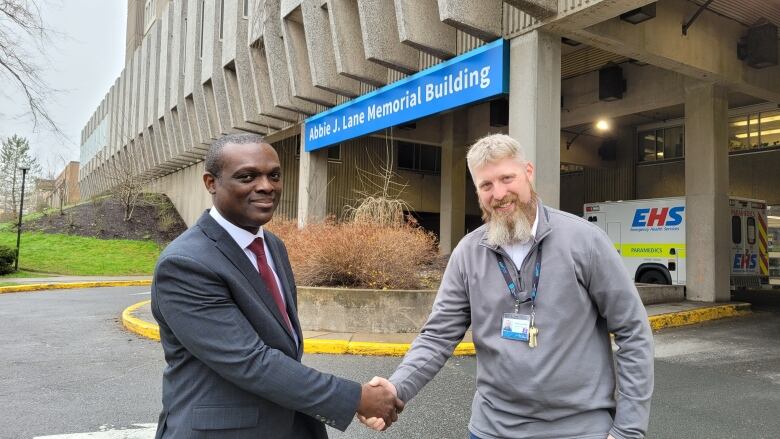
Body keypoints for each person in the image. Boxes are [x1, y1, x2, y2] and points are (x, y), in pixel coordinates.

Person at [361, 133, 654, 439]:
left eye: (507, 178)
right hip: (492, 430)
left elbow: (632, 330)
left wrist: (628, 430)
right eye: (486, 185)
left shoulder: (585, 241)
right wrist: (397, 386)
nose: (498, 193)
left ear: (528, 173)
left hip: (579, 430)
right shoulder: (468, 253)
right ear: (477, 191)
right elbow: (437, 336)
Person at [151, 133, 402, 439]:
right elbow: (250, 360)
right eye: (247, 176)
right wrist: (356, 398)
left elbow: (283, 346)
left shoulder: (272, 245)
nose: (266, 186)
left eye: (274, 175)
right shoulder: (185, 264)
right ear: (211, 183)